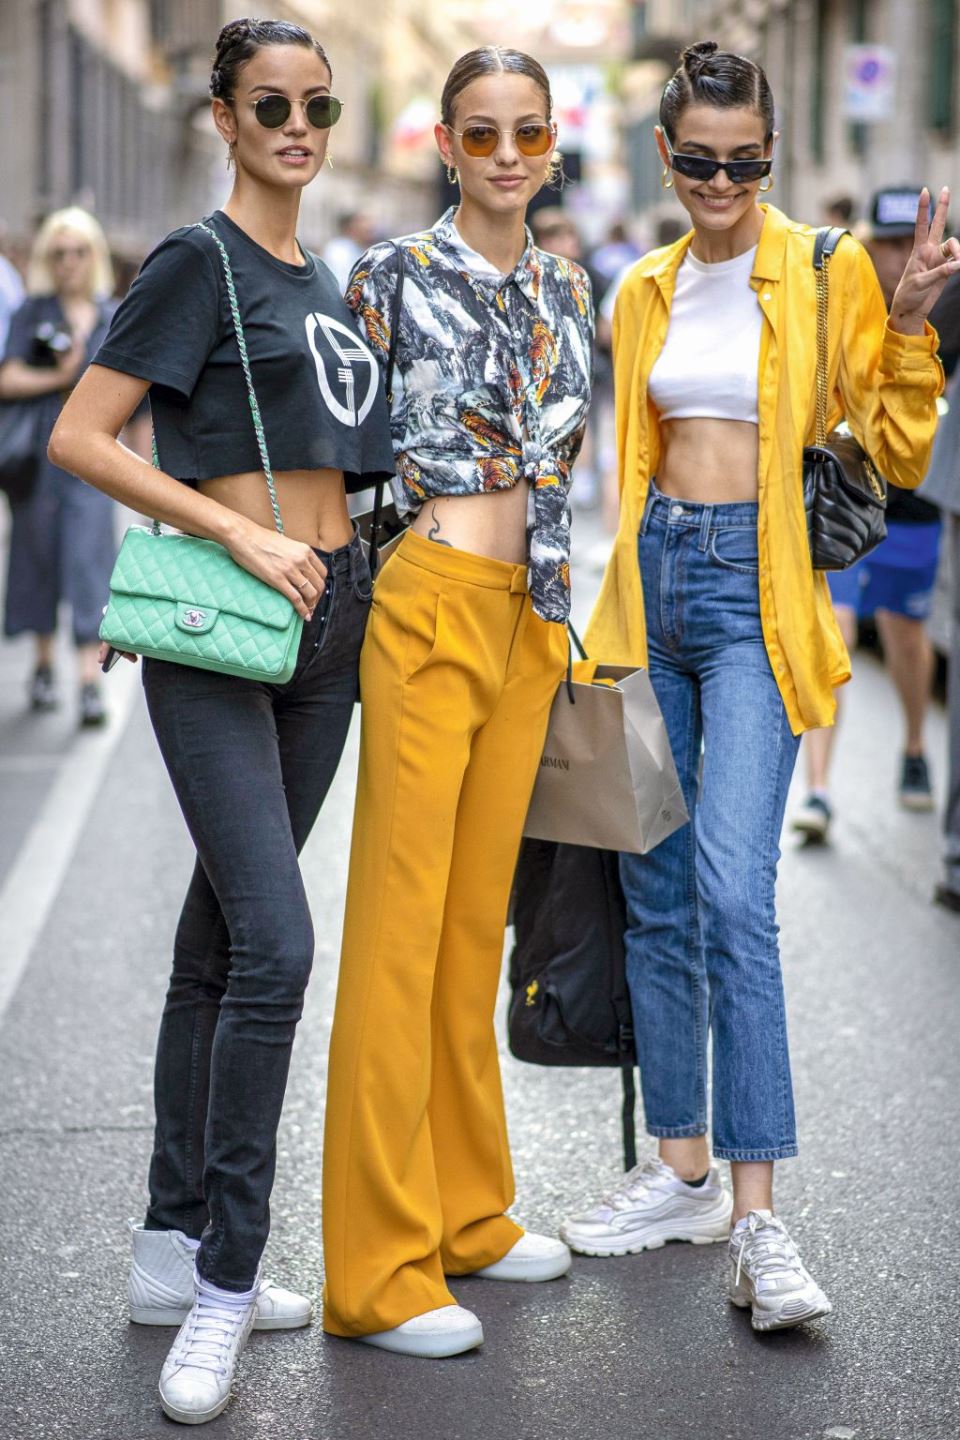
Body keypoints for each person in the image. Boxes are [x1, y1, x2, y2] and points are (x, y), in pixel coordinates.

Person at [561, 41, 949, 1332]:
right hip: (657, 578)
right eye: (699, 159)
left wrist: (906, 330)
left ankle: (760, 1217)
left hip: (756, 594)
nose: (722, 180)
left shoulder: (826, 270)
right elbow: (627, 457)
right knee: (655, 888)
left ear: (770, 155)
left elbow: (892, 449)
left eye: (746, 160)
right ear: (665, 156)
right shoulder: (643, 289)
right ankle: (676, 1166)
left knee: (735, 888)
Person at [49, 17, 393, 1424]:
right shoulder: (196, 262)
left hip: (335, 625)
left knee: (220, 937)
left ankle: (166, 1243)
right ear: (223, 115)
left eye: (317, 103)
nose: (297, 124)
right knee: (277, 944)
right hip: (221, 625)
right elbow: (83, 434)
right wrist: (239, 538)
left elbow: (354, 464)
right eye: (271, 103)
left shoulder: (327, 276)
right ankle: (229, 1281)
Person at [323, 45, 594, 1359]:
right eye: (479, 134)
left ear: (551, 145)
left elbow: (577, 460)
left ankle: (469, 1211)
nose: (503, 155)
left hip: (530, 620)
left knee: (476, 930)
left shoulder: (566, 286)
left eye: (524, 134)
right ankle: (377, 1270)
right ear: (443, 143)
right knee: (396, 931)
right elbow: (334, 459)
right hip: (426, 601)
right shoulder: (386, 280)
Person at [793, 188, 946, 839]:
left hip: (912, 502)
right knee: (839, 628)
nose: (892, 254)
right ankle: (820, 791)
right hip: (844, 497)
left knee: (906, 634)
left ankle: (914, 746)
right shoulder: (840, 292)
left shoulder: (952, 298)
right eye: (881, 241)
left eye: (901, 241)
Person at [0, 208, 120, 726]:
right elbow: (7, 379)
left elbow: (133, 397)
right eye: (59, 253)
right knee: (39, 561)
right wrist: (61, 376)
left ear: (94, 256)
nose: (69, 262)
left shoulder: (112, 314)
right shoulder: (34, 310)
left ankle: (89, 685)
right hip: (40, 462)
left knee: (89, 566)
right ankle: (45, 668)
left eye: (79, 252)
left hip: (93, 468)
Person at [322, 210, 375, 290]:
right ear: (351, 227)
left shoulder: (362, 249)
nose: (369, 226)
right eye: (362, 221)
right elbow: (341, 284)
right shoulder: (338, 250)